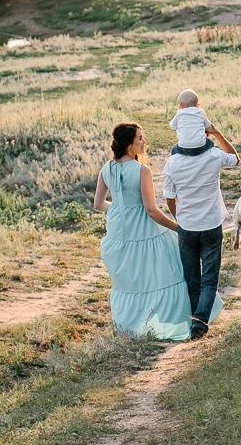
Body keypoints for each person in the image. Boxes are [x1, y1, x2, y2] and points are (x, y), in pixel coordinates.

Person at [94, 122, 223, 341]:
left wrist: (119, 209)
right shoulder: (142, 170)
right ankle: (181, 321)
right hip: (144, 230)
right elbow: (152, 211)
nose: (144, 142)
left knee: (132, 282)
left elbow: (98, 204)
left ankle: (132, 327)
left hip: (119, 232)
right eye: (140, 138)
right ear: (129, 144)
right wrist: (179, 228)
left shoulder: (106, 169)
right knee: (164, 274)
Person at [163, 117, 240, 340]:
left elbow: (169, 199)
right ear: (203, 133)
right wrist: (217, 133)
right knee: (209, 278)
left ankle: (198, 321)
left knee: (192, 277)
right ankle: (200, 322)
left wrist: (181, 219)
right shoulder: (214, 155)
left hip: (187, 228)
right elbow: (235, 158)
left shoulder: (172, 162)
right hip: (210, 226)